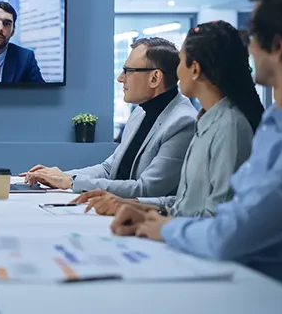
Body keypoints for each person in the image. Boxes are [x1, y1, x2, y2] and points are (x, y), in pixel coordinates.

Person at [110, 0, 282, 303]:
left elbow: (228, 236)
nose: (248, 49)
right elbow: (228, 215)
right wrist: (153, 215)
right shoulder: (279, 126)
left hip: (257, 297)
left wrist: (164, 226)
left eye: (253, 36)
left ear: (277, 47)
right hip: (230, 282)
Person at [73, 21, 263, 216]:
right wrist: (130, 204)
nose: (176, 72)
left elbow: (216, 216)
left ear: (195, 69)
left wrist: (160, 224)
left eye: (180, 62)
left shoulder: (226, 126)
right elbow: (185, 202)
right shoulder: (206, 120)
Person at [22, 38, 197, 197]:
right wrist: (60, 176)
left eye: (128, 71)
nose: (120, 78)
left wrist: (71, 182)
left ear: (155, 77)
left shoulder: (183, 122)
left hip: (146, 217)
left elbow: (146, 189)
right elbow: (109, 169)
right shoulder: (140, 112)